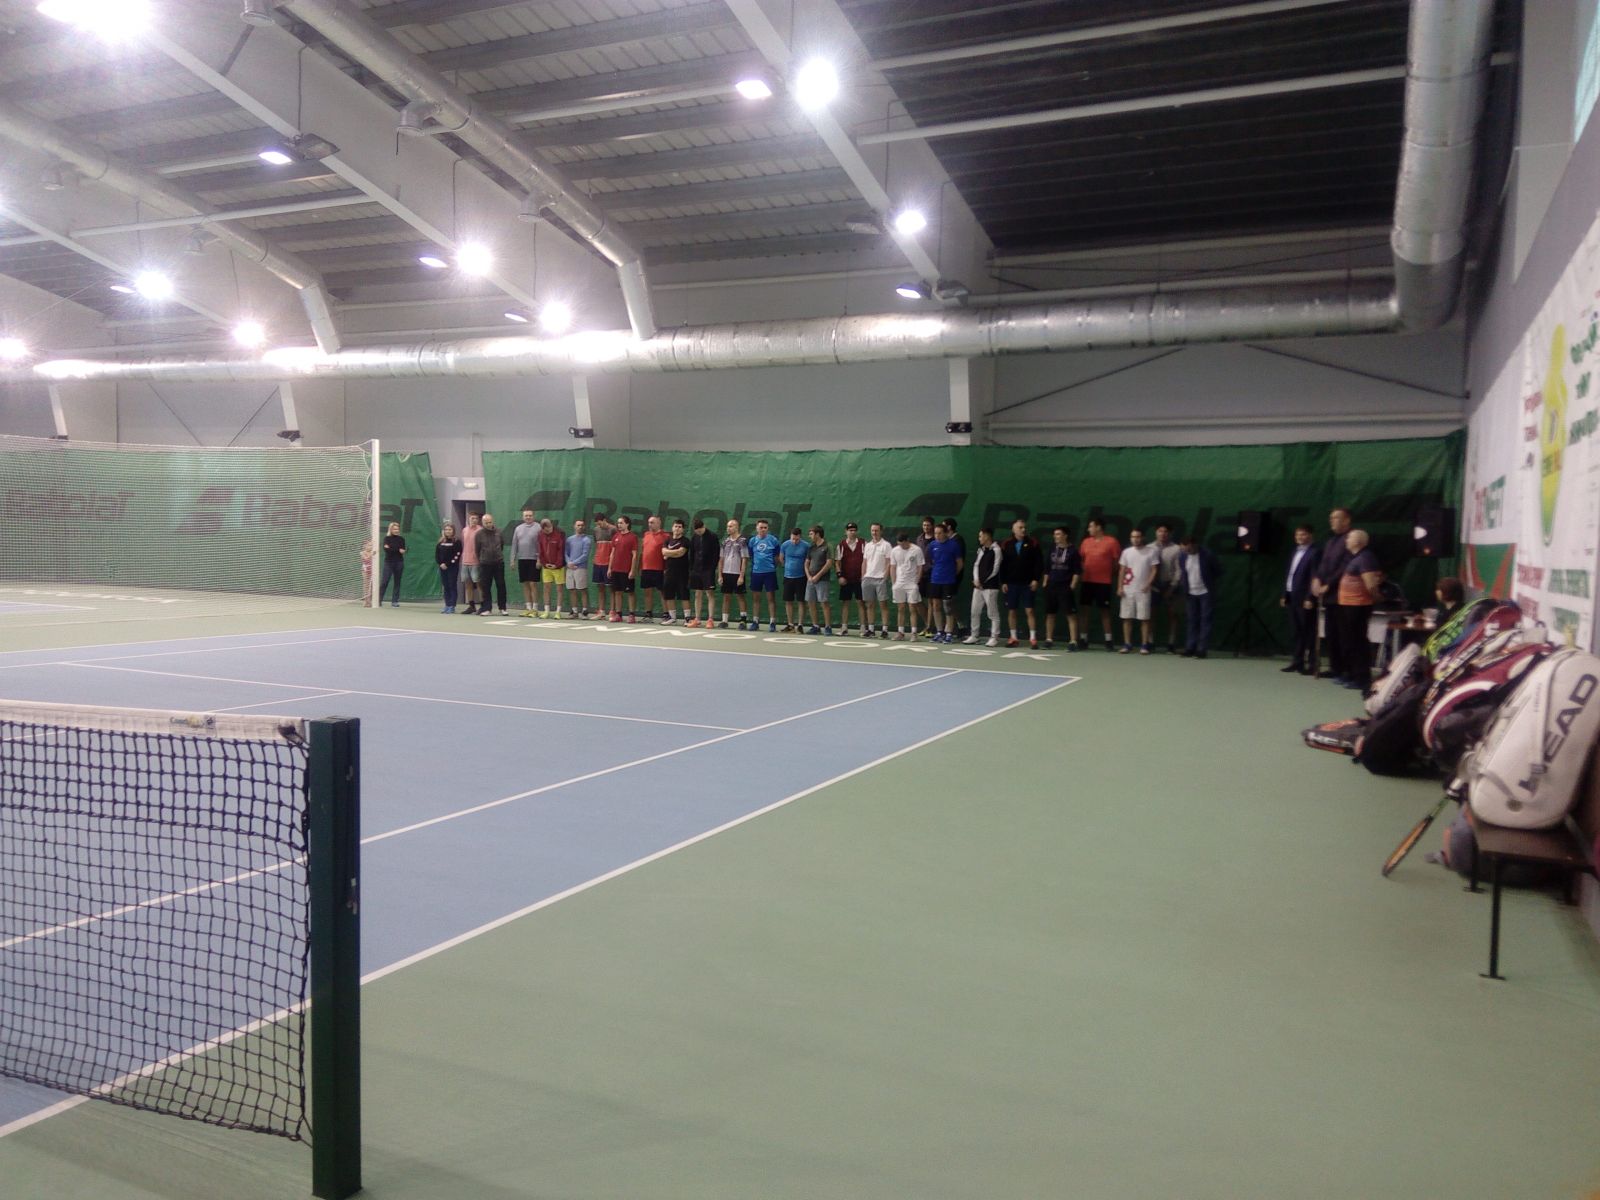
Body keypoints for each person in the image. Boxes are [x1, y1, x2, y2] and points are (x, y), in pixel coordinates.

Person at [1310, 507, 1354, 681]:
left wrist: (1329, 584)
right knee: (1331, 634)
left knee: (1345, 635)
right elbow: (1323, 565)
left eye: (1336, 518)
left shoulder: (1351, 539)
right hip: (1329, 599)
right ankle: (1335, 668)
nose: (1332, 521)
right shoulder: (1330, 542)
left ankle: (1347, 670)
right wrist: (1317, 579)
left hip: (1344, 597)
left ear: (1347, 520)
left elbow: (1345, 566)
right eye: (1331, 518)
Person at [1337, 529, 1384, 689]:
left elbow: (1371, 584)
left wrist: (1376, 598)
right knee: (1350, 641)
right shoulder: (1357, 558)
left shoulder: (1365, 557)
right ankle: (1352, 675)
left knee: (1358, 642)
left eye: (1349, 538)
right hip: (1349, 606)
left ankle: (1362, 678)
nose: (1346, 541)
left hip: (1358, 607)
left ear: (1358, 541)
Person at [999, 518, 1044, 649]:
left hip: (1028, 584)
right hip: (1011, 583)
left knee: (1030, 610)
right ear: (1014, 529)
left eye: (1024, 527)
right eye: (1020, 527)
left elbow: (1039, 563)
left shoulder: (1033, 543)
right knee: (1012, 610)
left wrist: (1036, 579)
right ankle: (1013, 638)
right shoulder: (1006, 544)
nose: (1023, 530)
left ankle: (1033, 638)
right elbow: (1002, 564)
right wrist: (1004, 581)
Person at [1078, 517, 1122, 650]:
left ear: (1098, 527)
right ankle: (1083, 639)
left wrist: (1108, 573)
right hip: (1087, 581)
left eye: (1091, 526)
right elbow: (1081, 560)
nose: (1089, 529)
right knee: (1085, 611)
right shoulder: (1085, 542)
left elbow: (1116, 563)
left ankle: (1108, 640)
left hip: (1104, 583)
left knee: (1105, 612)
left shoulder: (1112, 542)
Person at [1280, 523, 1318, 673]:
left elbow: (1314, 577)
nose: (1299, 537)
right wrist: (1285, 594)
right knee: (1296, 631)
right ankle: (1297, 662)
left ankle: (1313, 664)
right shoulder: (1294, 551)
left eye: (1303, 534)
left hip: (1305, 599)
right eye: (1297, 534)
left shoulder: (1315, 552)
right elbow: (1290, 574)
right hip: (1292, 596)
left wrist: (1310, 597)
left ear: (1310, 535)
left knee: (1308, 632)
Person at [1116, 527, 1160, 654]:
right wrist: (1120, 587)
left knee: (1144, 619)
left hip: (1143, 591)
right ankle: (1127, 644)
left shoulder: (1151, 552)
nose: (1135, 539)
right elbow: (1122, 570)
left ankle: (1145, 645)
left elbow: (1154, 570)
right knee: (1127, 618)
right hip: (1127, 590)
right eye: (1133, 537)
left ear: (1143, 538)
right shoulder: (1126, 552)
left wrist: (1148, 584)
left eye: (1138, 537)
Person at [1176, 534, 1220, 657]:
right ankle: (1190, 648)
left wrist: (1209, 582)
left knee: (1205, 620)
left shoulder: (1208, 555)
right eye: (1184, 549)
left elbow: (1217, 571)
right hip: (1190, 593)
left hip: (1206, 593)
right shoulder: (1182, 556)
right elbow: (1184, 572)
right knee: (1191, 620)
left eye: (1188, 548)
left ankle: (1202, 649)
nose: (1186, 551)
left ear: (1195, 545)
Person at [1044, 526, 1081, 651]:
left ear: (1065, 536)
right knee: (1050, 614)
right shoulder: (1052, 549)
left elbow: (1077, 571)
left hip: (1065, 586)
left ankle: (1073, 641)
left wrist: (1072, 586)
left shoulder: (1073, 551)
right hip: (1052, 585)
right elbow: (1047, 568)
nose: (1055, 536)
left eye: (1058, 534)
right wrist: (1045, 583)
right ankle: (1049, 640)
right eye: (1055, 534)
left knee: (1070, 614)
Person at [925, 522, 963, 643]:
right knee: (936, 605)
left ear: (946, 533)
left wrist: (952, 574)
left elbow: (960, 563)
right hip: (935, 580)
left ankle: (949, 633)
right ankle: (939, 631)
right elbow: (931, 560)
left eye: (940, 533)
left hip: (948, 581)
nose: (937, 535)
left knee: (948, 607)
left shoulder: (954, 545)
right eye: (935, 533)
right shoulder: (932, 545)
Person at [965, 527, 1003, 647]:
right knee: (974, 611)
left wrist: (982, 581)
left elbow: (995, 569)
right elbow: (976, 565)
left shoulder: (997, 550)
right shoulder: (980, 550)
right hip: (978, 587)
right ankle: (974, 635)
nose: (979, 538)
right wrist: (976, 580)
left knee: (992, 613)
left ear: (987, 536)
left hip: (991, 587)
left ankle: (994, 637)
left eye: (981, 536)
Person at [1152, 524, 1184, 652]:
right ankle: (1150, 642)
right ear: (1156, 532)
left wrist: (1172, 587)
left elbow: (1179, 570)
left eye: (1165, 531)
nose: (1162, 534)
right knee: (1150, 614)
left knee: (1173, 614)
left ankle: (1171, 643)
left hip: (1172, 585)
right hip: (1154, 585)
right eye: (1160, 531)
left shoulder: (1177, 549)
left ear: (1170, 533)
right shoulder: (1149, 548)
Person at [889, 531, 925, 640]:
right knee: (900, 608)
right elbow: (893, 567)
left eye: (903, 544)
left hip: (912, 584)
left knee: (912, 608)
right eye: (899, 544)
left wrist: (916, 582)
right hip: (899, 584)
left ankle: (914, 633)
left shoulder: (917, 550)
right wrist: (894, 583)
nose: (901, 546)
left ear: (907, 540)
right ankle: (900, 633)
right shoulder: (894, 551)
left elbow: (920, 567)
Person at [746, 518, 780, 632]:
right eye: (761, 527)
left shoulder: (773, 540)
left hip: (770, 573)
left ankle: (772, 622)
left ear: (768, 529)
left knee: (771, 598)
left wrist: (771, 566)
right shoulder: (752, 541)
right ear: (757, 528)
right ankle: (755, 622)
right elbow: (751, 555)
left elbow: (777, 557)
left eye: (765, 528)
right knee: (756, 598)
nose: (763, 529)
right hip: (756, 573)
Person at [686, 517, 721, 627]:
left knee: (709, 593)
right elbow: (692, 553)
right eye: (697, 531)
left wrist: (712, 568)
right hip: (696, 570)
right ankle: (697, 619)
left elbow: (716, 554)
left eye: (700, 530)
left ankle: (710, 619)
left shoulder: (713, 536)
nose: (699, 532)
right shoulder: (694, 537)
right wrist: (692, 569)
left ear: (704, 526)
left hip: (708, 570)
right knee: (698, 594)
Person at [860, 521, 893, 638]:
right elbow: (864, 562)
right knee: (869, 605)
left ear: (881, 531)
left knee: (883, 604)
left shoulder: (886, 545)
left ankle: (885, 630)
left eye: (876, 530)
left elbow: (889, 562)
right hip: (867, 578)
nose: (874, 532)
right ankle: (871, 629)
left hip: (880, 579)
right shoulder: (867, 545)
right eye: (872, 530)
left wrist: (885, 576)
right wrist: (863, 576)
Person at [803, 525, 834, 635]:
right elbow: (806, 563)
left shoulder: (827, 546)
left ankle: (828, 626)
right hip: (810, 580)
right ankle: (815, 626)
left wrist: (818, 576)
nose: (809, 536)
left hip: (822, 580)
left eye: (811, 534)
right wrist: (809, 577)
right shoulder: (811, 547)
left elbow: (829, 563)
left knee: (824, 602)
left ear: (817, 534)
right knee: (811, 602)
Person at [607, 515, 639, 622]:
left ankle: (631, 615)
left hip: (627, 570)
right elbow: (612, 553)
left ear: (627, 524)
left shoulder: (633, 537)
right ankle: (619, 614)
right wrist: (610, 568)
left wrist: (632, 570)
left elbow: (634, 555)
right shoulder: (615, 536)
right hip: (616, 569)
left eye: (621, 523)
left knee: (630, 593)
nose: (619, 525)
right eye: (618, 523)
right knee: (617, 592)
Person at [719, 518, 750, 629]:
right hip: (726, 573)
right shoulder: (725, 542)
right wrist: (720, 575)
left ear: (736, 527)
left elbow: (744, 559)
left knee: (740, 596)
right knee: (726, 597)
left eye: (731, 526)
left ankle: (743, 621)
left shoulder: (742, 541)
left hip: (737, 574)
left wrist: (741, 576)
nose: (728, 528)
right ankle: (724, 620)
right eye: (728, 526)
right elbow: (721, 559)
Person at [835, 522, 865, 635]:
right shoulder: (841, 545)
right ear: (846, 532)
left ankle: (863, 628)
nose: (852, 532)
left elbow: (867, 561)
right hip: (846, 579)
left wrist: (864, 575)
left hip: (859, 579)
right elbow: (837, 562)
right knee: (845, 603)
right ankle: (844, 628)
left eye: (854, 530)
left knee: (860, 602)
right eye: (850, 530)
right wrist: (840, 576)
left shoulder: (863, 544)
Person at [779, 526, 809, 632]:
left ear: (800, 537)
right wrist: (788, 567)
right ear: (790, 536)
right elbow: (781, 558)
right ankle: (790, 624)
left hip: (801, 577)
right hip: (788, 577)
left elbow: (808, 561)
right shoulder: (785, 545)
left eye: (797, 539)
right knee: (788, 601)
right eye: (793, 539)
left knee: (801, 601)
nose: (795, 541)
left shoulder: (806, 546)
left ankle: (800, 625)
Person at [511, 509, 541, 618]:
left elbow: (541, 545)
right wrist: (512, 559)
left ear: (533, 516)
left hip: (534, 560)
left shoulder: (538, 527)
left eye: (530, 515)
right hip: (522, 560)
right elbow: (514, 545)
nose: (528, 517)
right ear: (523, 517)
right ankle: (528, 608)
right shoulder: (518, 528)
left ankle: (535, 609)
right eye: (526, 515)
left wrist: (539, 559)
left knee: (533, 584)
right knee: (525, 584)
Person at [476, 513, 507, 615]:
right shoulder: (479, 534)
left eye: (490, 522)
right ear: (482, 523)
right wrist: (483, 559)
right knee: (486, 586)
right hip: (485, 564)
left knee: (501, 585)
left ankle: (502, 608)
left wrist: (497, 555)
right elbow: (477, 550)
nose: (488, 524)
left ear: (492, 521)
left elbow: (501, 545)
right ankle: (487, 609)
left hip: (498, 563)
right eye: (486, 523)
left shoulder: (499, 532)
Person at [660, 518, 690, 623]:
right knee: (668, 595)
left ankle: (687, 618)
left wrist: (669, 553)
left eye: (679, 527)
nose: (677, 528)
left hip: (682, 573)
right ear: (672, 528)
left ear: (683, 529)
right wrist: (672, 553)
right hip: (669, 572)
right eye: (676, 526)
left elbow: (680, 553)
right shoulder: (667, 540)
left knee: (684, 595)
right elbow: (663, 552)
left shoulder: (685, 541)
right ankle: (672, 618)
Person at [639, 515, 668, 621]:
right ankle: (648, 614)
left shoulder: (665, 536)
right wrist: (640, 567)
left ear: (659, 523)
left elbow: (667, 554)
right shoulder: (646, 535)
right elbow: (643, 552)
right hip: (646, 568)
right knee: (647, 592)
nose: (650, 524)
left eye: (652, 522)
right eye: (649, 522)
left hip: (660, 569)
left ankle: (666, 614)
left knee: (663, 592)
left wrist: (666, 568)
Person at [563, 518, 593, 618]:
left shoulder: (586, 540)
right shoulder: (569, 539)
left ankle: (584, 611)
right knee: (572, 589)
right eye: (578, 525)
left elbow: (585, 555)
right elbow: (566, 553)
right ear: (574, 526)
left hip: (581, 568)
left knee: (582, 589)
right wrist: (568, 562)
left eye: (582, 525)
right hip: (570, 568)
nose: (580, 527)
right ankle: (574, 611)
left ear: (584, 527)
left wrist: (574, 563)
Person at [538, 516, 565, 618]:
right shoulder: (540, 535)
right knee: (546, 588)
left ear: (551, 525)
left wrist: (557, 565)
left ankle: (558, 612)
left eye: (549, 528)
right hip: (546, 567)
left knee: (559, 589)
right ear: (542, 529)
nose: (548, 531)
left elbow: (561, 551)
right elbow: (540, 550)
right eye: (545, 530)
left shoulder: (560, 533)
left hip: (558, 567)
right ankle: (546, 611)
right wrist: (544, 563)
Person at [915, 516, 937, 638]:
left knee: (930, 601)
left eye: (928, 525)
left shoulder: (936, 538)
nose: (926, 527)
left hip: (932, 574)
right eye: (924, 525)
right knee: (917, 600)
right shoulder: (919, 539)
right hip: (920, 573)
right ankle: (927, 624)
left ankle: (929, 627)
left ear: (932, 526)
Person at [458, 511, 482, 614]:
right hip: (465, 562)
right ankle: (471, 606)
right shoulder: (464, 530)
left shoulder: (480, 530)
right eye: (472, 518)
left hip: (476, 562)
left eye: (476, 518)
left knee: (479, 584)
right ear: (469, 519)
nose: (474, 520)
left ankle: (482, 605)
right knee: (468, 584)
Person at [435, 522, 462, 614]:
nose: (448, 531)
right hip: (442, 568)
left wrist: (447, 564)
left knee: (452, 585)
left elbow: (457, 555)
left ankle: (452, 606)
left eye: (450, 530)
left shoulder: (457, 541)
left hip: (452, 567)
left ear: (453, 531)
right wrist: (440, 563)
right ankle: (447, 604)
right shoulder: (440, 542)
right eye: (446, 530)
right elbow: (437, 554)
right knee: (446, 586)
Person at [592, 513, 614, 618]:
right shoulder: (596, 530)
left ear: (605, 520)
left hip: (608, 563)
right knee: (600, 587)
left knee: (611, 588)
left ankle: (612, 611)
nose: (599, 526)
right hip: (598, 562)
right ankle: (601, 611)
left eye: (600, 523)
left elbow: (615, 547)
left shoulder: (613, 529)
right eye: (597, 524)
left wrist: (611, 563)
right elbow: (597, 545)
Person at [379, 521, 406, 608]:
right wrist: (397, 550)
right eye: (394, 529)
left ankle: (395, 601)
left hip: (399, 563)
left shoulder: (401, 539)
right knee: (384, 581)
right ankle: (379, 600)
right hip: (388, 562)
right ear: (391, 530)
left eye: (397, 529)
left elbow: (402, 550)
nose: (396, 530)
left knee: (397, 582)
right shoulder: (386, 539)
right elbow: (387, 550)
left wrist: (392, 548)